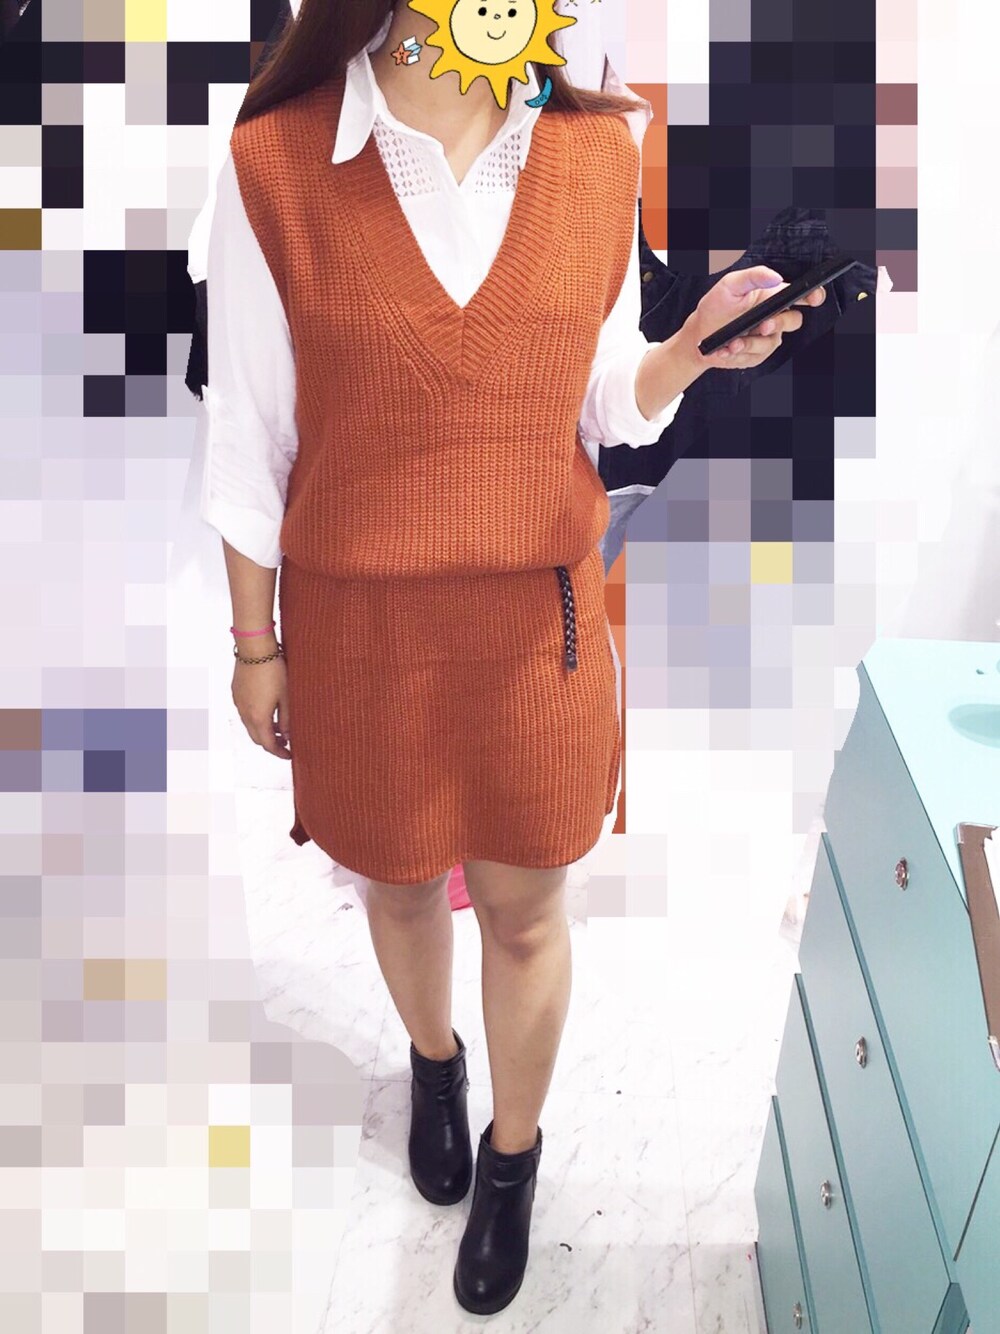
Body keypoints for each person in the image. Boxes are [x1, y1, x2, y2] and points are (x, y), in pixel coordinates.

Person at [200, 0, 825, 1315]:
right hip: (359, 627)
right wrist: (255, 642)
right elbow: (250, 432)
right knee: (398, 886)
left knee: (528, 910)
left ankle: (512, 1157)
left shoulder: (594, 151)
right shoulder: (278, 161)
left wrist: (686, 353)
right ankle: (433, 1061)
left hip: (535, 625)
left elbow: (603, 403)